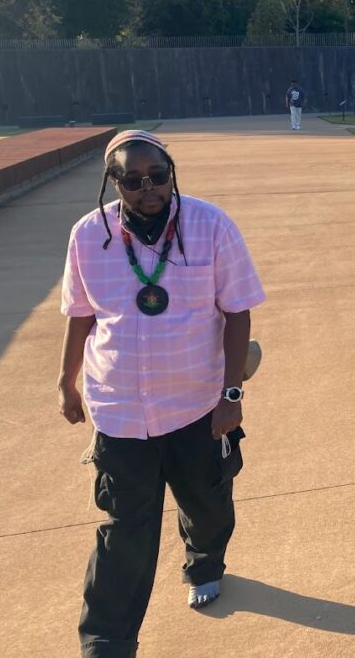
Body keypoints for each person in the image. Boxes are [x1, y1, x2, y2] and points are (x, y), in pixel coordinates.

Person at [58, 130, 265, 656]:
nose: (148, 188)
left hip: (197, 402)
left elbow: (237, 310)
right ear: (114, 183)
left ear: (172, 174)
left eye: (159, 176)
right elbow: (81, 314)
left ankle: (204, 561)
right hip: (120, 406)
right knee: (125, 524)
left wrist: (231, 394)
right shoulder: (88, 235)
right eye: (133, 180)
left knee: (208, 500)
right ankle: (106, 640)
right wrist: (67, 379)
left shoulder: (210, 225)